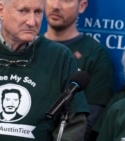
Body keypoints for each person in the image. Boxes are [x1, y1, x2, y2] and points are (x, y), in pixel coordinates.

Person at [0, 0, 89, 141]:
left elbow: (74, 123)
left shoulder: (60, 57)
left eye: (38, 12)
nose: (32, 22)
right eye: (23, 11)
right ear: (0, 11)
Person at [44, 0, 114, 140]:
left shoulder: (95, 54)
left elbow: (90, 120)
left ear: (81, 6)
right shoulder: (28, 46)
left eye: (66, 0)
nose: (56, 6)